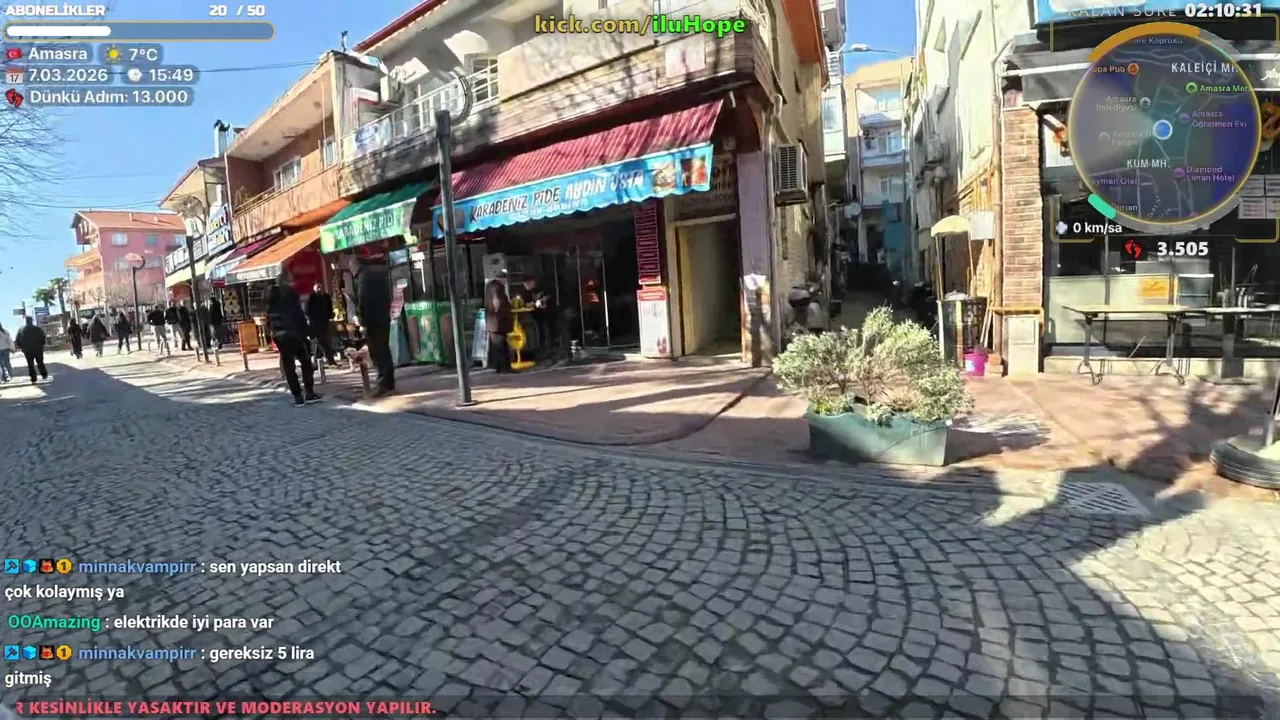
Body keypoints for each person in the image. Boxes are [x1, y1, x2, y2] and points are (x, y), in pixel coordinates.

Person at [266, 270, 321, 407]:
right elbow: (297, 313)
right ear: (287, 281)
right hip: (294, 333)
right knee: (305, 362)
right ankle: (309, 393)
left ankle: (297, 396)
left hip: (279, 335)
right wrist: (307, 330)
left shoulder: (271, 296)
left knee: (288, 365)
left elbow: (268, 316)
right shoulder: (290, 294)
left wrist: (272, 330)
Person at [348, 255, 394, 396]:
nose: (350, 271)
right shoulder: (377, 274)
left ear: (355, 266)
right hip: (383, 317)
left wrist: (363, 323)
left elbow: (364, 301)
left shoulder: (364, 278)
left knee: (377, 352)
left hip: (373, 321)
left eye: (351, 267)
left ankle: (383, 384)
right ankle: (389, 382)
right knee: (384, 350)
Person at [484, 270, 513, 373]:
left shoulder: (489, 287)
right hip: (499, 322)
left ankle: (499, 367)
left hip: (493, 322)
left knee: (498, 346)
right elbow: (498, 303)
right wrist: (504, 314)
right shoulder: (498, 287)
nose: (506, 282)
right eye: (505, 280)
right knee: (502, 345)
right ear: (502, 279)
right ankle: (504, 368)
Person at [306, 283, 336, 366]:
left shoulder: (326, 297)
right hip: (315, 323)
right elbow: (307, 311)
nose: (319, 289)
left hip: (325, 322)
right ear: (314, 289)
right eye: (317, 288)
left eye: (320, 287)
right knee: (320, 342)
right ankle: (327, 360)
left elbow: (330, 308)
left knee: (324, 342)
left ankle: (324, 361)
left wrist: (330, 315)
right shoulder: (312, 298)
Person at [14, 317, 47, 385]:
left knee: (30, 364)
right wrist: (41, 345)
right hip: (38, 348)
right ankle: (44, 375)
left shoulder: (21, 329)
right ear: (32, 321)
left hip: (27, 350)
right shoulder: (37, 328)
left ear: (26, 322)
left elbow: (17, 340)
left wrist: (22, 347)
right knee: (40, 362)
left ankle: (33, 378)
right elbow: (43, 338)